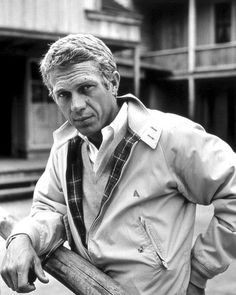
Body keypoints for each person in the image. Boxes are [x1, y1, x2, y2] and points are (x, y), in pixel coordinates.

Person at [1, 33, 236, 295]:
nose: (76, 105)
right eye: (64, 95)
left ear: (112, 82)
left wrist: (200, 271)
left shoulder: (169, 137)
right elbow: (49, 208)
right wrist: (23, 236)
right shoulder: (64, 149)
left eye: (86, 88)